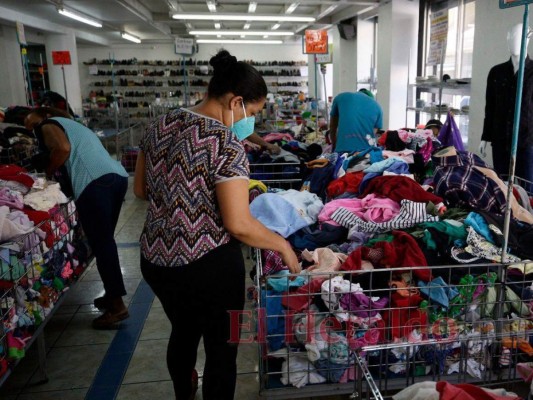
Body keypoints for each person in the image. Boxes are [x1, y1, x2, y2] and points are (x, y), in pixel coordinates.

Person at [133, 50, 300, 400]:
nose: (250, 122)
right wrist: (282, 245)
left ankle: (184, 392)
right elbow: (238, 225)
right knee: (223, 350)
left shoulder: (158, 125)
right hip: (207, 266)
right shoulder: (225, 144)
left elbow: (140, 190)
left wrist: (181, 200)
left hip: (156, 260)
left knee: (183, 329)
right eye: (252, 113)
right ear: (236, 101)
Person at [24, 107, 129, 329]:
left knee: (103, 245)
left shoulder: (48, 124)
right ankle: (112, 296)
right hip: (116, 177)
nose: (33, 131)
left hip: (95, 182)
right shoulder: (75, 126)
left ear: (42, 118)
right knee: (105, 242)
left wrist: (48, 174)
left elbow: (62, 149)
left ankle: (117, 306)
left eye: (32, 125)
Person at [480, 22, 533, 188]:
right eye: (510, 37)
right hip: (500, 140)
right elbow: (490, 108)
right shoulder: (497, 72)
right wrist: (485, 138)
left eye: (517, 37)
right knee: (501, 186)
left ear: (528, 38)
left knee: (527, 190)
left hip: (527, 141)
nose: (513, 41)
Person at [329, 88, 383, 153]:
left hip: (343, 149)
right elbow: (373, 132)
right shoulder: (377, 106)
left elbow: (333, 126)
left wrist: (334, 145)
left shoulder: (340, 97)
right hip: (366, 151)